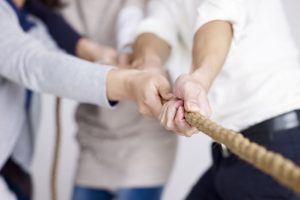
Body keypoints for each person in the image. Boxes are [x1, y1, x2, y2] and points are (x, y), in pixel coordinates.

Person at [0, 0, 172, 199]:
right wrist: (128, 83)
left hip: (15, 167)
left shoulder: (32, 20)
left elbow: (57, 59)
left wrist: (104, 58)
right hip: (90, 145)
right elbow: (36, 65)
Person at [133, 0, 300, 199]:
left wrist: (198, 79)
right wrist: (150, 66)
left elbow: (219, 16)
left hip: (279, 141)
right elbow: (155, 27)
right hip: (230, 152)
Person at [60, 1, 177, 199]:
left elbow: (135, 16)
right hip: (94, 136)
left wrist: (129, 50)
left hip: (144, 139)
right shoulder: (58, 7)